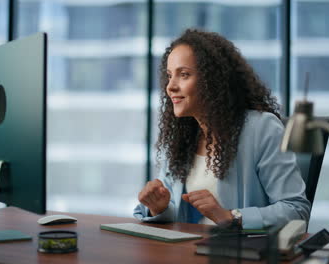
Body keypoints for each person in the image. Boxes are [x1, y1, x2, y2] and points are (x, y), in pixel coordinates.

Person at [133, 29, 310, 230]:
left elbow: (296, 210)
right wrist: (160, 207)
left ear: (212, 81)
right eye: (169, 75)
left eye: (184, 75)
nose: (170, 86)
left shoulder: (261, 128)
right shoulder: (181, 137)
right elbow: (178, 212)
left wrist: (230, 216)